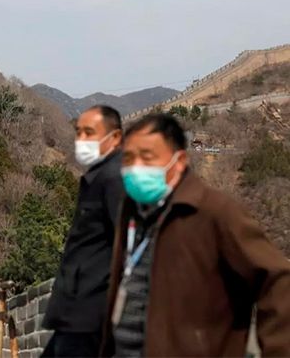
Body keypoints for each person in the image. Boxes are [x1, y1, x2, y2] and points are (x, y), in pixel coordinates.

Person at [102, 113, 290, 357]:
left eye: (148, 158)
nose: (136, 168)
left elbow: (278, 281)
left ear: (179, 160)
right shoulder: (132, 211)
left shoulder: (214, 212)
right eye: (128, 158)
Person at [42, 105, 124, 358]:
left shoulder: (116, 179)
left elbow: (130, 243)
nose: (82, 140)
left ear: (116, 137)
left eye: (90, 132)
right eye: (79, 132)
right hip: (75, 312)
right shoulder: (98, 176)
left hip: (92, 313)